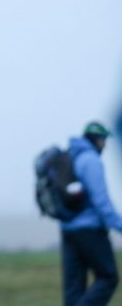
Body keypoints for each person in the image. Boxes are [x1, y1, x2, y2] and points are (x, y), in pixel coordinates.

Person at [62, 121, 122, 305]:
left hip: (68, 229)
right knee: (108, 277)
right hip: (90, 230)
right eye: (104, 140)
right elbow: (101, 202)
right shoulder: (91, 160)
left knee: (74, 288)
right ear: (97, 139)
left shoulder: (71, 156)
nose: (104, 145)